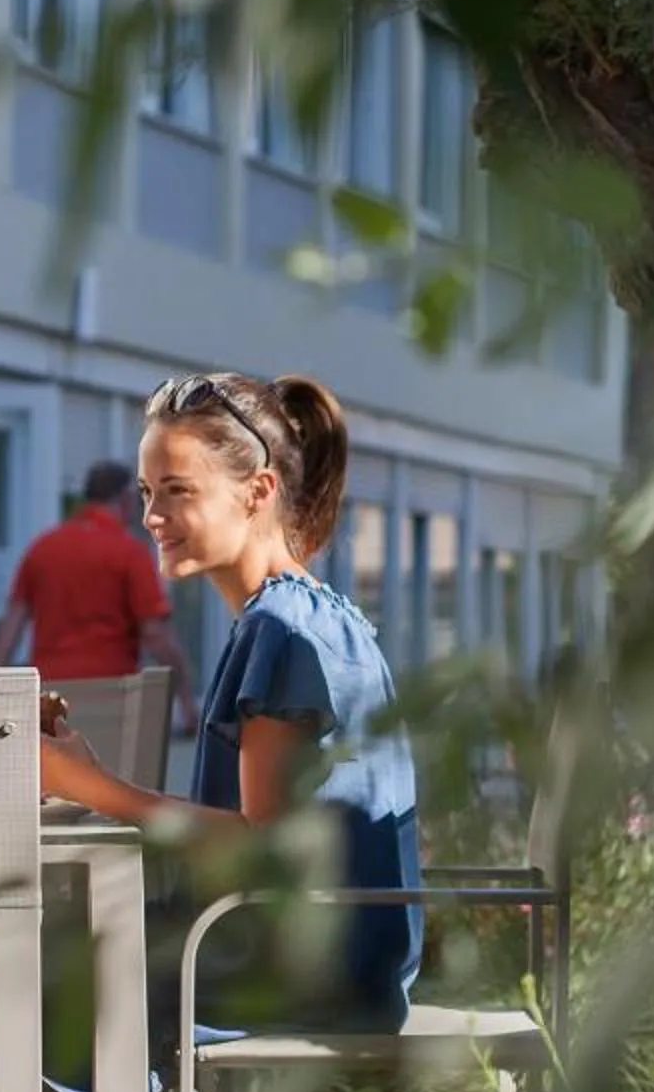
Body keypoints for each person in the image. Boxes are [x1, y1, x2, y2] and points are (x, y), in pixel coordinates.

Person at [35, 371, 424, 1031]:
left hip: (297, 980)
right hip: (346, 966)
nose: (152, 517)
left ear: (258, 492)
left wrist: (91, 787)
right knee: (34, 982)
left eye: (178, 492)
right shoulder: (319, 614)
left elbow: (256, 849)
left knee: (17, 990)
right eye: (147, 493)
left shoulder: (281, 633)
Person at [0, 462, 191, 686]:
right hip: (110, 691)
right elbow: (155, 634)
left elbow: (13, 622)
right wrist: (184, 695)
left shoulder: (42, 548)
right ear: (125, 498)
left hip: (48, 692)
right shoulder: (130, 552)